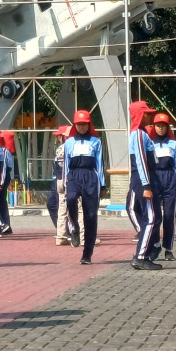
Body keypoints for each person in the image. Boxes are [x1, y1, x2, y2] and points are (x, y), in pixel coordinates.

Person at [63, 110, 105, 264]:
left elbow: (100, 164)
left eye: (84, 124)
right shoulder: (69, 142)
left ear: (89, 125)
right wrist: (65, 182)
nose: (81, 127)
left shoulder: (96, 142)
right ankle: (73, 227)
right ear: (75, 125)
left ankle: (87, 254)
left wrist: (103, 184)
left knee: (91, 216)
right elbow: (65, 165)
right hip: (74, 176)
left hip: (91, 177)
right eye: (79, 124)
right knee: (71, 198)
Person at [128, 100, 162, 270]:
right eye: (147, 113)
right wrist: (147, 186)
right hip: (144, 181)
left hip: (149, 179)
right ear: (140, 115)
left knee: (155, 218)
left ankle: (147, 253)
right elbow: (141, 161)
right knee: (151, 218)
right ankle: (140, 256)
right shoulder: (139, 135)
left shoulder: (142, 133)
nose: (150, 116)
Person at [151, 113, 176, 261]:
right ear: (154, 127)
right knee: (156, 216)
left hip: (171, 180)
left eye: (163, 125)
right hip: (155, 179)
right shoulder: (149, 144)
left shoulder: (174, 144)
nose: (161, 128)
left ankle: (168, 248)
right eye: (158, 125)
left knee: (169, 216)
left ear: (167, 127)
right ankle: (155, 244)